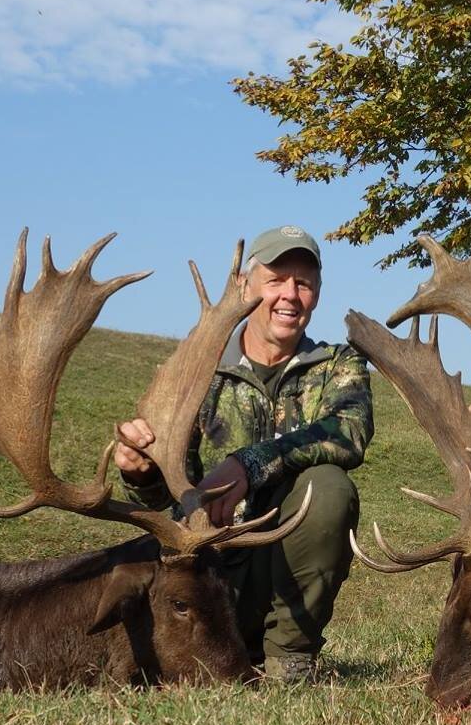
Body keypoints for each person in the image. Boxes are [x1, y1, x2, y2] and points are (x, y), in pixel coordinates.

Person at [112, 224, 371, 682]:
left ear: (317, 293)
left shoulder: (337, 364)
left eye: (304, 283)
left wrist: (250, 463)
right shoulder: (198, 368)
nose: (289, 295)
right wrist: (142, 473)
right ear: (244, 287)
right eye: (275, 280)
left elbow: (348, 431)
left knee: (330, 486)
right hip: (206, 586)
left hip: (281, 575)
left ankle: (289, 659)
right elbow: (162, 503)